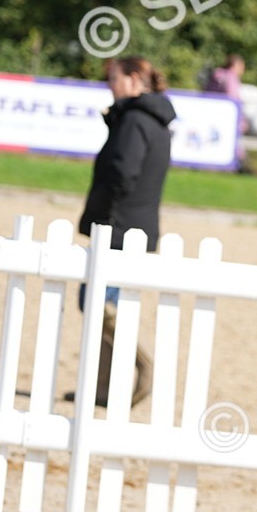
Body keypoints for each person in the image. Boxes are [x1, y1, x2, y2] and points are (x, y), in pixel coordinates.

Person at [77, 56, 175, 407]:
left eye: (114, 79)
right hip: (134, 227)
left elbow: (121, 171)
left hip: (119, 227)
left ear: (134, 80)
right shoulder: (151, 119)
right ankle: (100, 388)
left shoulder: (135, 120)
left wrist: (100, 215)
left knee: (97, 305)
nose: (110, 85)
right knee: (104, 308)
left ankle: (144, 368)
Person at [203, 54, 249, 168]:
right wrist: (241, 119)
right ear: (236, 65)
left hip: (211, 113)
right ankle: (240, 165)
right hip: (226, 117)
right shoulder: (231, 77)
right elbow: (233, 97)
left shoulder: (218, 75)